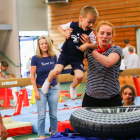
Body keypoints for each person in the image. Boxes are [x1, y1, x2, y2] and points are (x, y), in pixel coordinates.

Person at [41, 6, 98, 100]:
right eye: (89, 22)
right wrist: (64, 34)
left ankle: (72, 87)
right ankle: (47, 81)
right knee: (57, 71)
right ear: (81, 18)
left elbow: (95, 45)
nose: (91, 25)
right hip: (65, 54)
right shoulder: (72, 24)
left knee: (80, 76)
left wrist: (88, 45)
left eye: (93, 22)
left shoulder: (90, 33)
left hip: (77, 58)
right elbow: (60, 27)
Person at [82, 20, 123, 107]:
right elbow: (75, 55)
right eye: (102, 33)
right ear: (96, 34)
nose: (104, 36)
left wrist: (90, 50)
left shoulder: (116, 49)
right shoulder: (90, 49)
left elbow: (108, 62)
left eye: (108, 34)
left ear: (111, 36)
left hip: (112, 97)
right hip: (91, 97)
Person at [30, 35, 59, 139]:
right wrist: (36, 91)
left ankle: (54, 134)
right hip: (40, 89)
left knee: (54, 115)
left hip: (53, 89)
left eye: (45, 43)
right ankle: (41, 136)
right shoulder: (35, 58)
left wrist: (57, 86)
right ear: (39, 45)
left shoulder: (53, 56)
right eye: (42, 43)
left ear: (48, 44)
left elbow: (56, 73)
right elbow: (32, 76)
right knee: (41, 115)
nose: (44, 45)